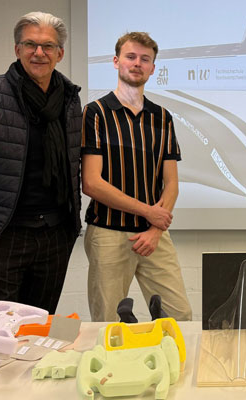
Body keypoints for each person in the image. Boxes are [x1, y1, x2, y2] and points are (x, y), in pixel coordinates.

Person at [0, 12, 82, 321]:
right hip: (1, 236)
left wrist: (69, 230)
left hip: (54, 238)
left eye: (48, 46)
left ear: (60, 54)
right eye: (30, 44)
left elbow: (73, 167)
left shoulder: (70, 100)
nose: (39, 52)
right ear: (17, 49)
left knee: (36, 333)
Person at [81, 32, 192, 322]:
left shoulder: (162, 117)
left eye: (145, 59)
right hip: (108, 232)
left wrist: (155, 229)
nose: (137, 63)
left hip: (154, 236)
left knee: (179, 316)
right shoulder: (95, 113)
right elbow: (91, 183)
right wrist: (148, 212)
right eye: (130, 57)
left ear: (153, 68)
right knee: (108, 322)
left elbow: (171, 183)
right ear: (116, 61)